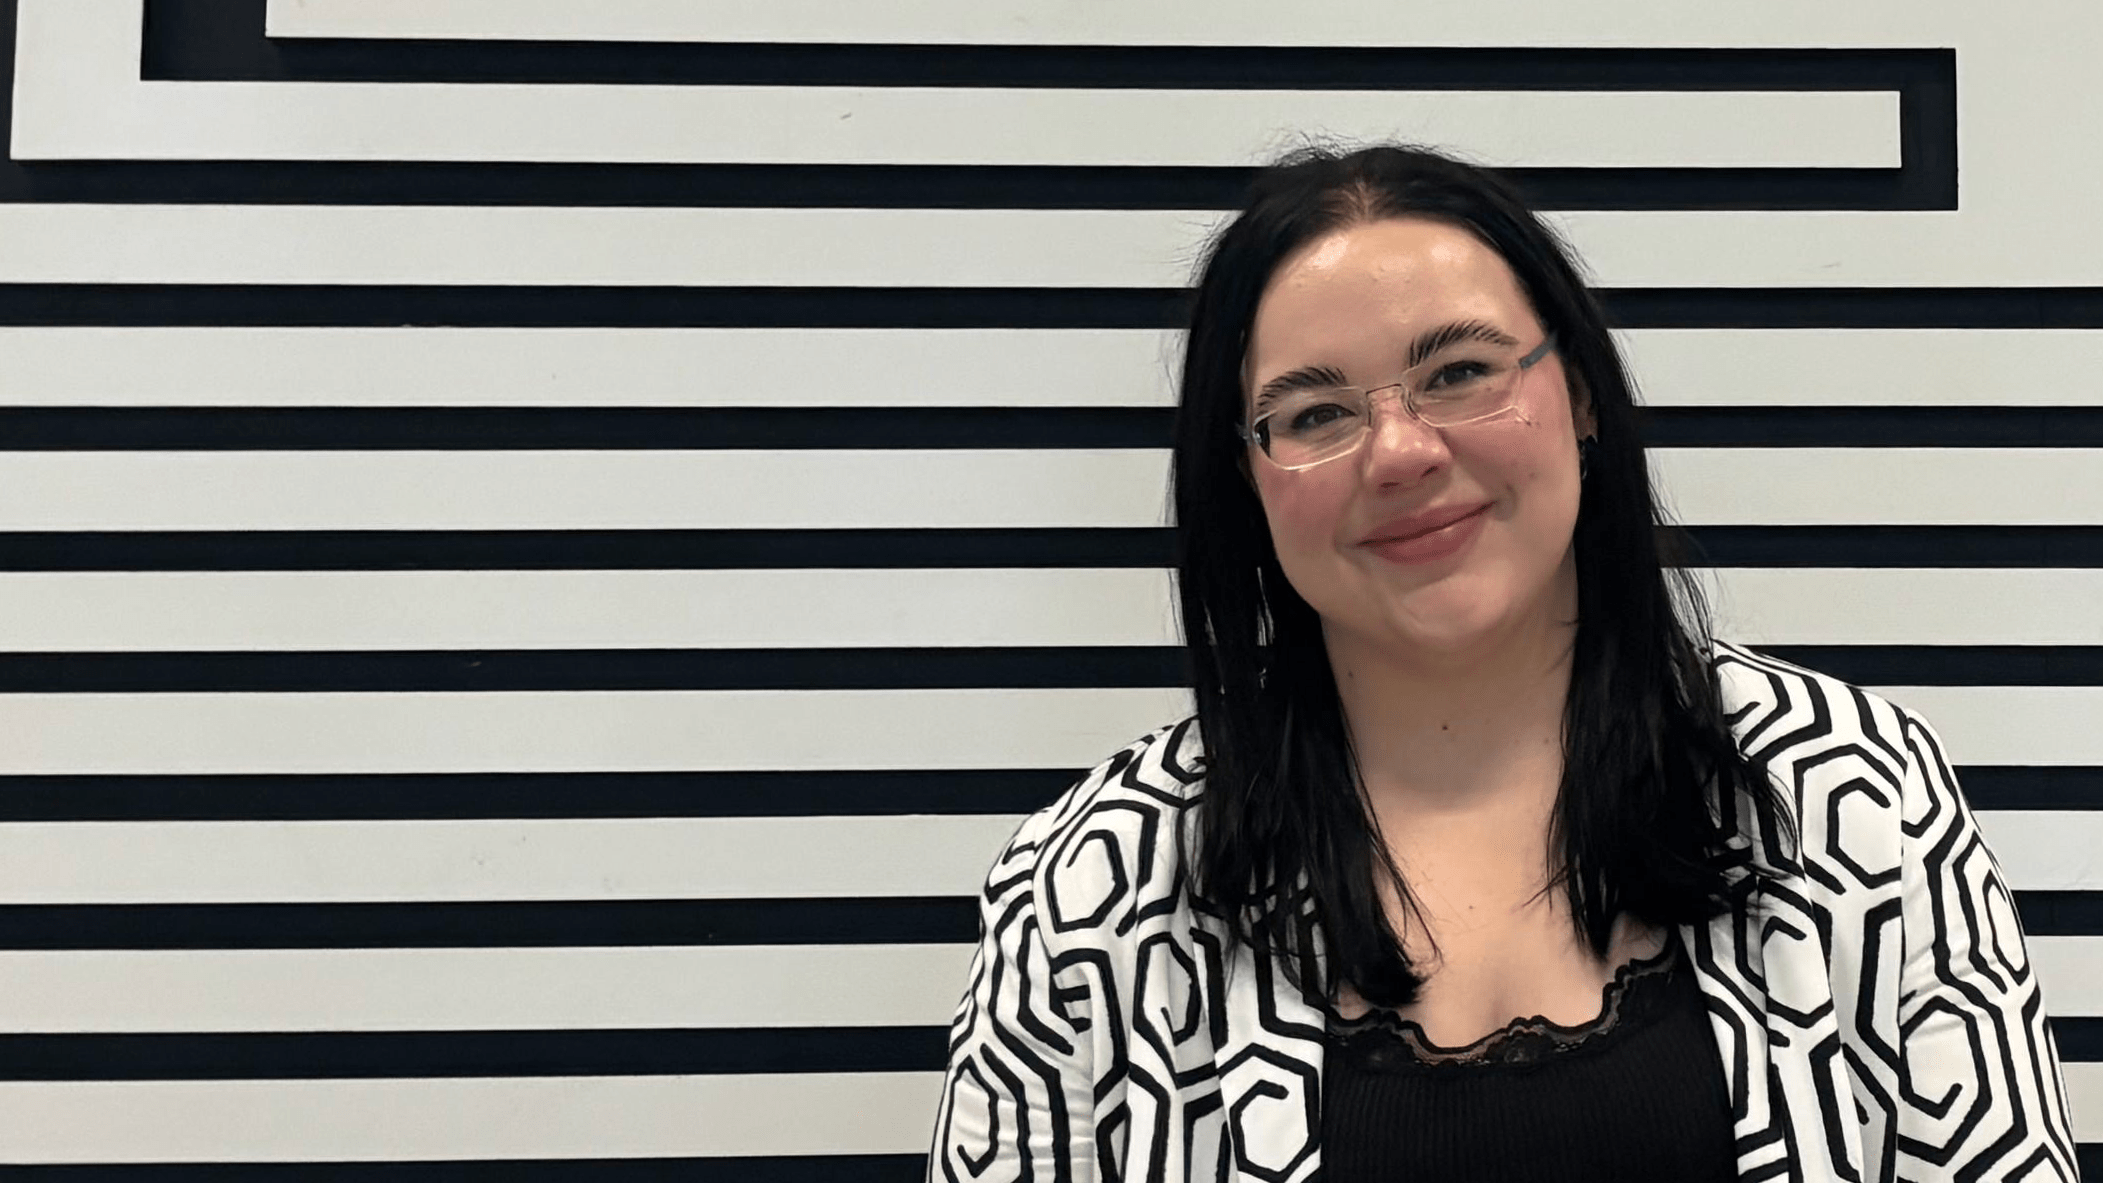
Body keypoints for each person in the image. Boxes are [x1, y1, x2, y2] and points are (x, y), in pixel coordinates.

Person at [925, 143, 2078, 1182]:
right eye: (1315, 412)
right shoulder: (1091, 890)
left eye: (1460, 371)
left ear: (1576, 392)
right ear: (1250, 481)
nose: (1400, 451)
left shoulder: (1851, 796)